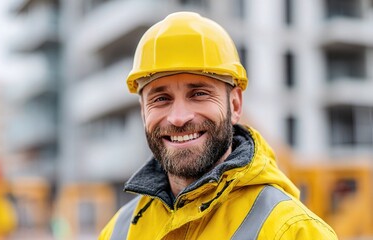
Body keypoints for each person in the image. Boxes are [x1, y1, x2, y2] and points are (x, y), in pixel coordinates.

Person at [99, 12, 337, 239]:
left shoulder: (295, 232)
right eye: (161, 99)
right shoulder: (117, 231)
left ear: (235, 105)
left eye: (199, 94)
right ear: (143, 112)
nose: (179, 117)